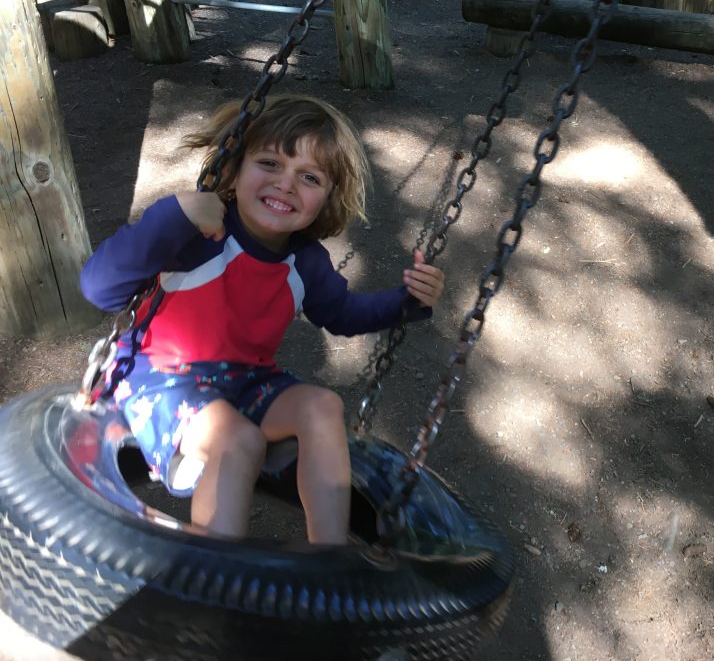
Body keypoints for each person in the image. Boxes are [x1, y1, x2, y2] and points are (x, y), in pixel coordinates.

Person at [79, 94, 445, 545]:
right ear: (234, 168)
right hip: (159, 376)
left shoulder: (305, 262)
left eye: (309, 177)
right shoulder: (200, 234)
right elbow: (99, 288)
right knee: (239, 441)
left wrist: (407, 302)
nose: (287, 184)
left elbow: (343, 314)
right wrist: (174, 215)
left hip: (246, 381)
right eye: (270, 163)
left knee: (322, 407)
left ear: (328, 198)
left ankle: (328, 562)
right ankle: (214, 576)